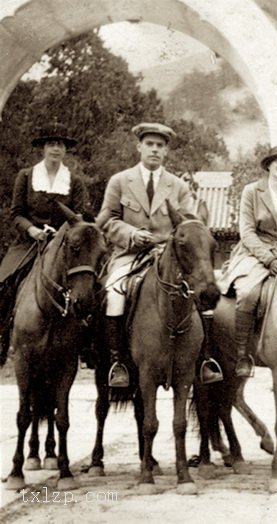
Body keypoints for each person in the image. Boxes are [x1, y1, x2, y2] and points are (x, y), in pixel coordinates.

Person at [96, 122, 222, 387]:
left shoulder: (178, 186)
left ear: (166, 152)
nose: (154, 150)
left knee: (200, 289)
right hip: (131, 254)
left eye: (160, 146)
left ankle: (204, 359)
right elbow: (105, 220)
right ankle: (118, 361)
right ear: (139, 147)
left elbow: (190, 224)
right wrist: (131, 234)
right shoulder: (120, 181)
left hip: (170, 255)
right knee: (114, 290)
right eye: (149, 144)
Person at [0, 122, 87, 365]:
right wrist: (32, 230)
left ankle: (87, 345)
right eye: (51, 144)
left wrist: (61, 234)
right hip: (28, 243)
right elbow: (15, 213)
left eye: (60, 144)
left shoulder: (75, 181)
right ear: (43, 148)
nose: (55, 149)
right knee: (5, 281)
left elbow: (78, 218)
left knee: (87, 283)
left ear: (65, 150)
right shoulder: (26, 176)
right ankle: (4, 336)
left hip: (64, 245)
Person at [217, 144, 277, 378]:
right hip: (254, 252)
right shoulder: (251, 191)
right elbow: (246, 232)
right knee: (248, 294)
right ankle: (242, 354)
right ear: (269, 164)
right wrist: (268, 259)